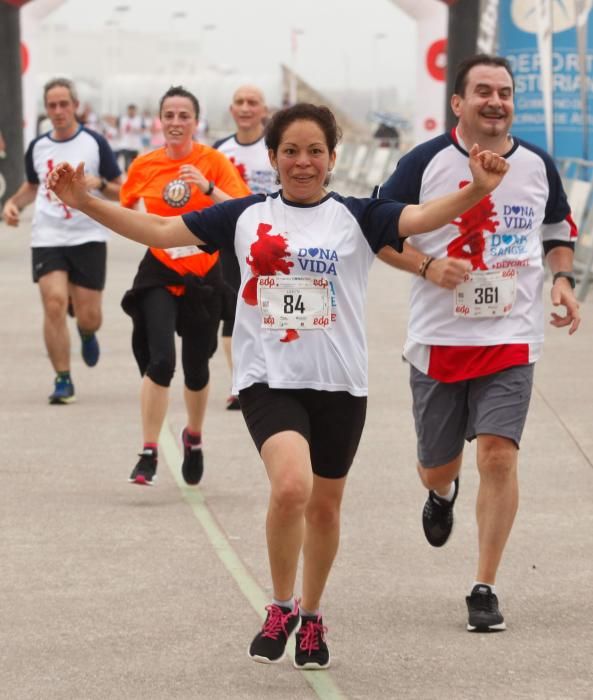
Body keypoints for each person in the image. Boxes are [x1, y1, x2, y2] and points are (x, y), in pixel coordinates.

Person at [47, 102, 508, 669]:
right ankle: (281, 604)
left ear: (334, 158)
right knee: (292, 487)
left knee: (325, 509)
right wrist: (85, 202)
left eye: (316, 151)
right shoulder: (242, 216)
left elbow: (419, 217)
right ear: (272, 158)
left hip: (340, 382)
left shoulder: (358, 217)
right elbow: (162, 229)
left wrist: (478, 190)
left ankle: (312, 616)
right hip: (270, 377)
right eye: (290, 151)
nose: (303, 162)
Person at [375, 54, 580, 633]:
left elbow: (558, 229)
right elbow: (378, 231)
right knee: (434, 467)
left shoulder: (538, 164)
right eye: (483, 90)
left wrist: (561, 279)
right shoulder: (423, 162)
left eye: (505, 91)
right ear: (458, 103)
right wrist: (426, 266)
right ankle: (442, 492)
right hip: (439, 338)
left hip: (512, 335)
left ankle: (484, 585)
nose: (496, 100)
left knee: (498, 455)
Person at [118, 86, 250, 487]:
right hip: (159, 270)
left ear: (196, 121)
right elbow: (124, 208)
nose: (176, 123)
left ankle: (193, 437)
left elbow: (244, 208)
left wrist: (207, 189)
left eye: (183, 116)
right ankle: (148, 451)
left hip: (205, 276)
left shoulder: (213, 161)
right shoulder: (144, 165)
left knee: (196, 368)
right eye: (169, 115)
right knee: (161, 361)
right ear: (160, 120)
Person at [2, 77, 121, 404]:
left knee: (89, 316)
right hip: (48, 235)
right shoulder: (38, 146)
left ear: (75, 106)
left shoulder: (95, 142)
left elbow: (122, 189)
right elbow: (31, 186)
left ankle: (86, 332)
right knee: (53, 303)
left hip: (88, 235)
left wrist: (98, 183)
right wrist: (12, 204)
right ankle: (63, 378)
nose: (58, 111)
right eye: (52, 106)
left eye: (63, 104)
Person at [213, 85, 278, 410]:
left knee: (273, 310)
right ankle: (241, 381)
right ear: (231, 109)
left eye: (253, 102)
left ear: (264, 109)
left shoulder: (277, 147)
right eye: (239, 102)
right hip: (234, 242)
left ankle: (278, 373)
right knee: (233, 312)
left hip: (274, 242)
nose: (245, 107)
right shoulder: (220, 151)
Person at [117, 103, 143, 171]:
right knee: (127, 164)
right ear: (128, 110)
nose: (131, 112)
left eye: (133, 110)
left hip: (135, 145)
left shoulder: (139, 119)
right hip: (126, 144)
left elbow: (143, 129)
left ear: (135, 111)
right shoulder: (123, 119)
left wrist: (135, 129)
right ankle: (127, 177)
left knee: (134, 164)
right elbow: (120, 130)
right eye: (130, 110)